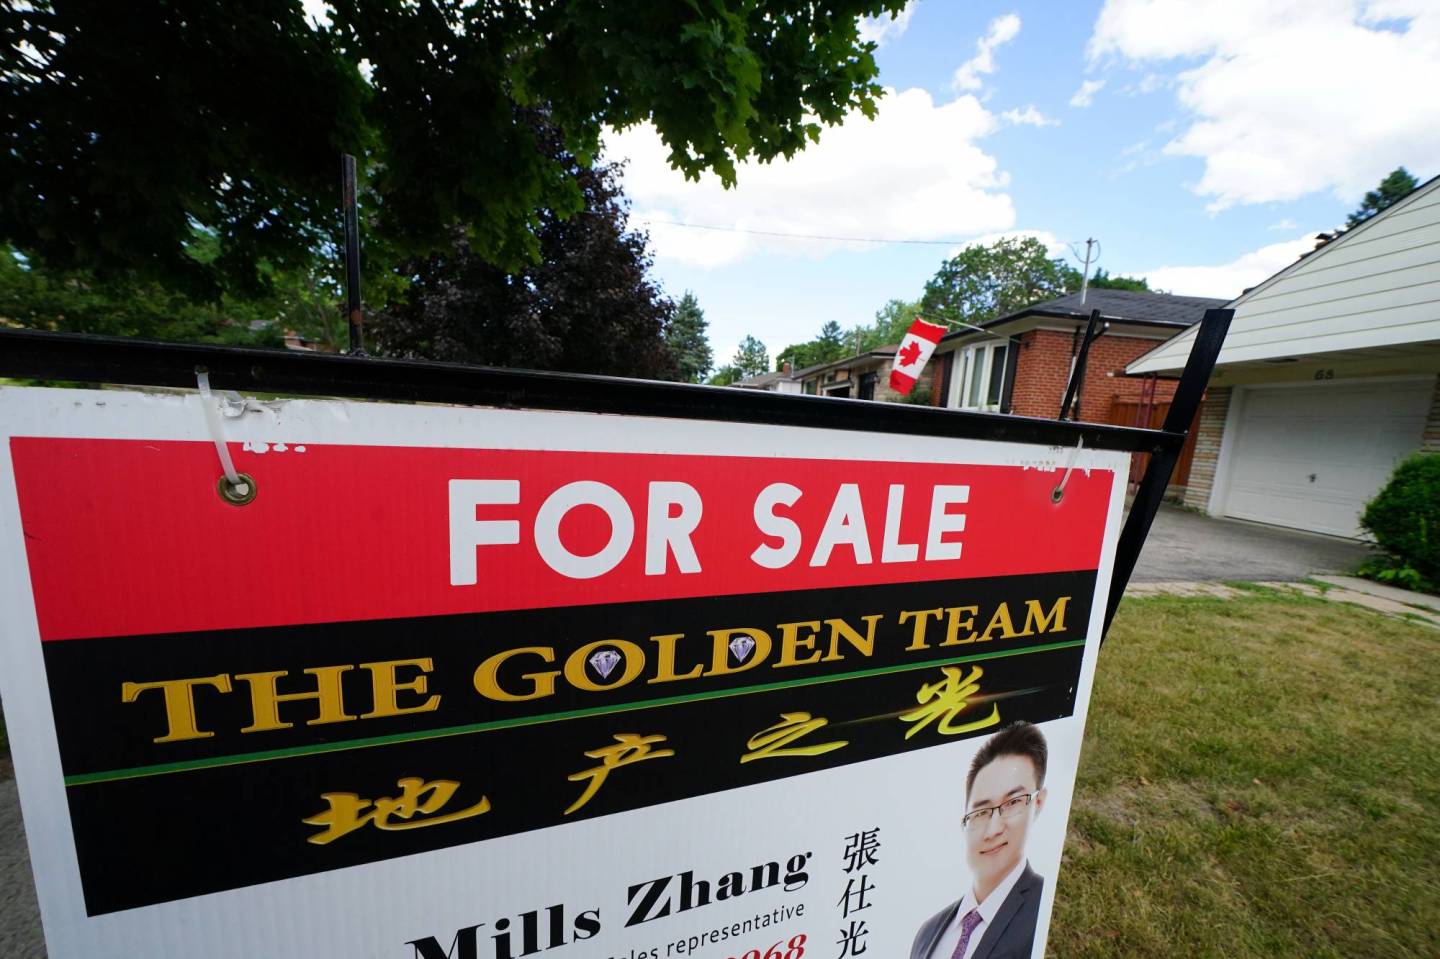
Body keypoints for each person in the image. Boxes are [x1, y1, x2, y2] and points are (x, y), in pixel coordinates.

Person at [910, 722, 1049, 959]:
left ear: (1037, 804)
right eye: (981, 812)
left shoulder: (1042, 907)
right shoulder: (927, 932)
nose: (993, 829)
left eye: (1012, 803)